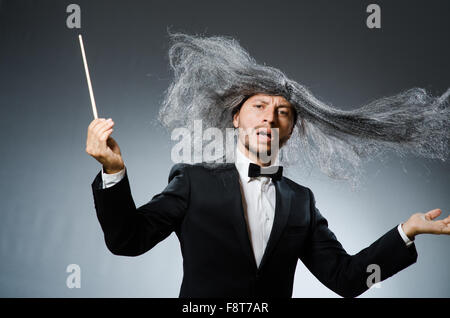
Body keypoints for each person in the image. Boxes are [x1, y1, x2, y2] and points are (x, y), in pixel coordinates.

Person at [86, 32, 450, 297]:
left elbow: (347, 279)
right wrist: (113, 171)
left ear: (293, 128)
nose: (269, 118)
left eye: (283, 112)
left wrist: (406, 232)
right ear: (235, 119)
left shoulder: (301, 202)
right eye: (258, 106)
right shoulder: (194, 181)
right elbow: (127, 241)